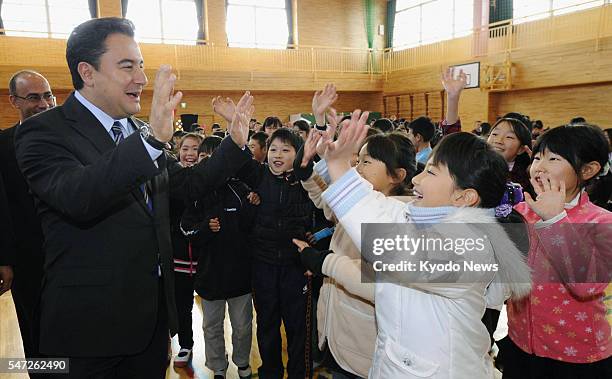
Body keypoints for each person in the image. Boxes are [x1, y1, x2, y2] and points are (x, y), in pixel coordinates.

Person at [14, 17, 253, 378]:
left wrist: (234, 144)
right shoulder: (43, 132)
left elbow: (187, 186)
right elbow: (78, 195)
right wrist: (152, 142)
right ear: (87, 72)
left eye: (141, 65)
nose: (141, 78)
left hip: (149, 328)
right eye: (127, 66)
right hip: (87, 332)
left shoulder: (139, 131)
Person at [302, 112, 532, 378]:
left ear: (464, 196)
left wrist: (341, 167)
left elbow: (388, 242)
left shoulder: (470, 247)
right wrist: (338, 164)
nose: (416, 179)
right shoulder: (419, 217)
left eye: (431, 172)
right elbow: (380, 210)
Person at [501, 124, 612, 379]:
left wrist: (553, 219)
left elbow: (587, 285)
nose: (540, 165)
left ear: (588, 170)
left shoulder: (601, 222)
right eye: (538, 157)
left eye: (553, 158)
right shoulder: (522, 211)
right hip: (521, 344)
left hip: (577, 357)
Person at [181, 135, 257, 379]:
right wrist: (205, 228)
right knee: (211, 327)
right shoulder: (194, 193)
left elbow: (253, 227)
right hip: (209, 276)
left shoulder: (241, 189)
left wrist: (254, 205)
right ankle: (218, 367)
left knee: (243, 327)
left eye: (216, 158)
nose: (211, 163)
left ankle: (243, 363)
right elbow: (186, 228)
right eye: (206, 157)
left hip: (240, 276)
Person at [0, 70, 54, 364]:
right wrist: (4, 259)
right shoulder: (2, 145)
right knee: (35, 331)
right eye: (33, 97)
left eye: (48, 95)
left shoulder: (74, 141)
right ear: (14, 101)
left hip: (75, 256)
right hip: (28, 260)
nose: (44, 104)